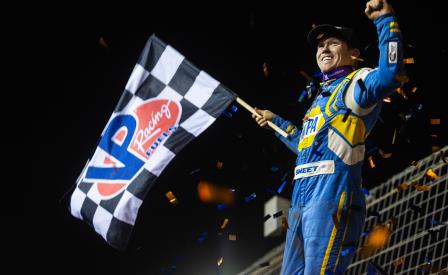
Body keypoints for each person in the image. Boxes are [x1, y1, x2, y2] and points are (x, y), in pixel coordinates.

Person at [252, 0, 405, 274]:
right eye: (320, 45)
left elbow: (391, 74)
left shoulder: (357, 82)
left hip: (332, 196)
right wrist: (277, 122)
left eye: (333, 43)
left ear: (354, 53)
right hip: (300, 203)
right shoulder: (318, 100)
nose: (324, 48)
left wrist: (386, 22)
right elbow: (305, 146)